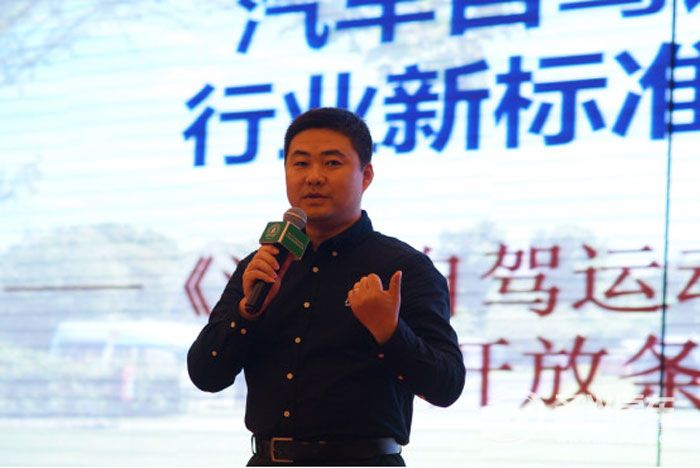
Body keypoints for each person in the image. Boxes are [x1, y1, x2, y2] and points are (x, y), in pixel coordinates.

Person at [187, 107, 465, 466]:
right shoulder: (262, 266)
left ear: (366, 176)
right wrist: (246, 314)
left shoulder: (404, 268)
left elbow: (447, 385)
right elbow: (206, 375)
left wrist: (390, 332)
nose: (314, 177)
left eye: (332, 163)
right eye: (300, 164)